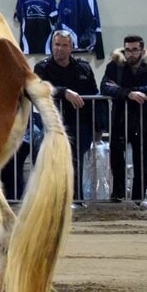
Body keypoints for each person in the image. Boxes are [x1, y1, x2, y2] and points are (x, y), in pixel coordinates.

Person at [34, 30, 99, 197]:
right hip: (53, 123)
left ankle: (76, 199)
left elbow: (95, 95)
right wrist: (64, 92)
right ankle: (52, 199)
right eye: (56, 44)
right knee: (52, 162)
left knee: (75, 161)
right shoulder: (42, 67)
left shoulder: (83, 67)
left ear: (71, 48)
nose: (59, 49)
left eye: (64, 45)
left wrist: (99, 126)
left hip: (80, 123)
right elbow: (38, 88)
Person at [101, 35, 147, 202]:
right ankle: (118, 193)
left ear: (142, 50)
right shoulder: (115, 66)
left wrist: (128, 90)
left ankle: (138, 199)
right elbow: (105, 87)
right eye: (127, 50)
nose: (130, 53)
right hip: (119, 120)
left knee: (141, 163)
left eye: (135, 50)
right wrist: (129, 94)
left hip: (144, 121)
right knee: (116, 160)